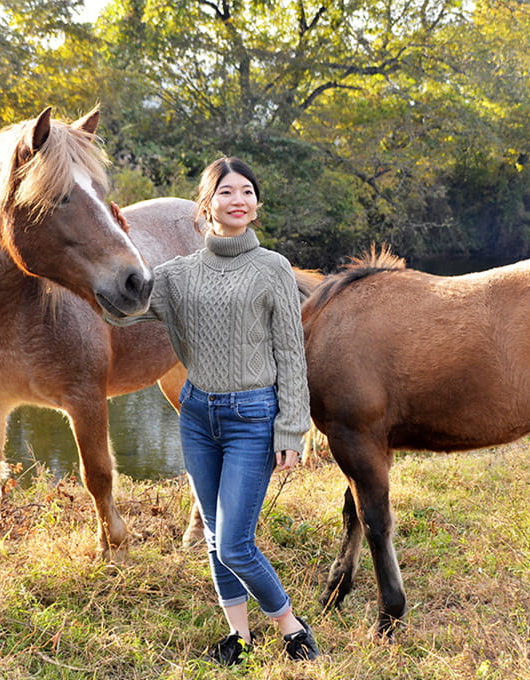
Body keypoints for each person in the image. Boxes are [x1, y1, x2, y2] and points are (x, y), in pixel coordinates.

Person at [107, 157, 319, 665]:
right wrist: (105, 245)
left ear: (256, 204)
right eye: (227, 192)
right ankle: (239, 637)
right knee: (214, 537)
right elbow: (119, 307)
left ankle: (292, 629)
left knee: (235, 543)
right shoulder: (177, 276)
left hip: (253, 417)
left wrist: (292, 428)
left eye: (247, 191)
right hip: (198, 416)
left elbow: (291, 352)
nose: (239, 200)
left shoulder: (272, 269)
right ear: (207, 205)